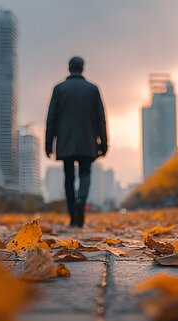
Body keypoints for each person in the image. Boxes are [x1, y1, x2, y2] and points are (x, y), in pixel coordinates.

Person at [45, 56, 108, 227]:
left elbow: (51, 118)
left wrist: (49, 143)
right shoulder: (93, 89)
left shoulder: (59, 89)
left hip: (65, 141)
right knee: (85, 174)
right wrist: (104, 143)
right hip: (88, 141)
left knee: (69, 178)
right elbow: (101, 119)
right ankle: (81, 200)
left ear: (69, 68)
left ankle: (73, 215)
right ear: (83, 68)